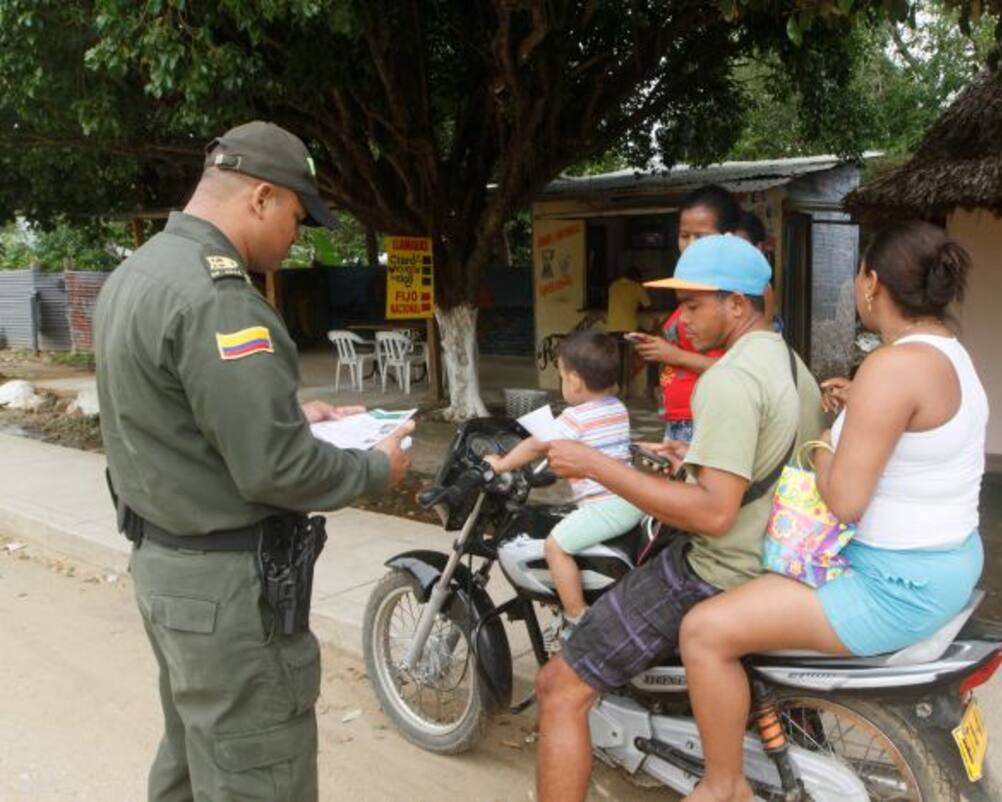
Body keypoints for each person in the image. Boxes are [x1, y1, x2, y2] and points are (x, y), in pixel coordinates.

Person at [93, 120, 413, 802]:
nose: (299, 238)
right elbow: (280, 473)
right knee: (257, 775)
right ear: (262, 197)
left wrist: (295, 414)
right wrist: (376, 469)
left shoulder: (138, 274)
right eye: (298, 218)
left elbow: (170, 410)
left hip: (166, 568)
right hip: (228, 592)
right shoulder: (221, 300)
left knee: (192, 755)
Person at [677, 220, 988, 802]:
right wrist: (858, 410)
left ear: (872, 284)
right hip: (948, 563)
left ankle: (724, 786)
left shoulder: (892, 368)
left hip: (892, 583)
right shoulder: (950, 354)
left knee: (703, 630)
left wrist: (822, 443)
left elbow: (843, 500)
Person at [534, 235, 824, 802]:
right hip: (772, 556)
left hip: (716, 568)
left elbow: (714, 513)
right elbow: (763, 464)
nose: (678, 320)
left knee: (559, 686)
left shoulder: (729, 379)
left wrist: (596, 463)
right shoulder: (792, 364)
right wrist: (689, 464)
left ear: (737, 305)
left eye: (693, 306)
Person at [485, 330, 642, 638]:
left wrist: (501, 463)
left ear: (575, 381)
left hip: (605, 506)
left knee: (555, 546)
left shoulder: (575, 418)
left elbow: (537, 445)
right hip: (630, 499)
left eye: (560, 376)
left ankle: (576, 618)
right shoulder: (617, 407)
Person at [633, 184, 741, 442]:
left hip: (706, 418)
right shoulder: (686, 282)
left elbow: (742, 371)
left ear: (728, 236)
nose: (691, 245)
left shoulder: (738, 290)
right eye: (684, 235)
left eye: (701, 237)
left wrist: (675, 355)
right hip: (678, 416)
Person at [732, 208, 785, 335]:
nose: (732, 252)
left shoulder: (762, 288)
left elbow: (762, 336)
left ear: (758, 248)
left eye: (740, 246)